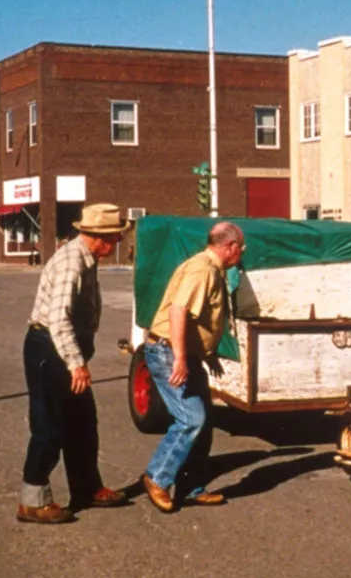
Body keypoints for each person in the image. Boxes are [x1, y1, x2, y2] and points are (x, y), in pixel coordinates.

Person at [17, 203, 132, 524]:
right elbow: (58, 319)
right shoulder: (71, 263)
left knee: (82, 422)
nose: (119, 242)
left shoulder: (87, 257)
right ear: (101, 238)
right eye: (116, 237)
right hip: (50, 349)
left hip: (65, 350)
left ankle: (86, 487)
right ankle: (32, 500)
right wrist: (76, 363)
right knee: (50, 427)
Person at [140, 221, 245, 513]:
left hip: (185, 352)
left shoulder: (210, 268)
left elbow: (201, 319)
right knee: (191, 419)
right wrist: (181, 358)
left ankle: (193, 486)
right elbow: (178, 310)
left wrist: (206, 353)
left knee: (204, 420)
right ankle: (156, 477)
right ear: (230, 246)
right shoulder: (204, 270)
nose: (242, 253)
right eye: (241, 248)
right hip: (168, 351)